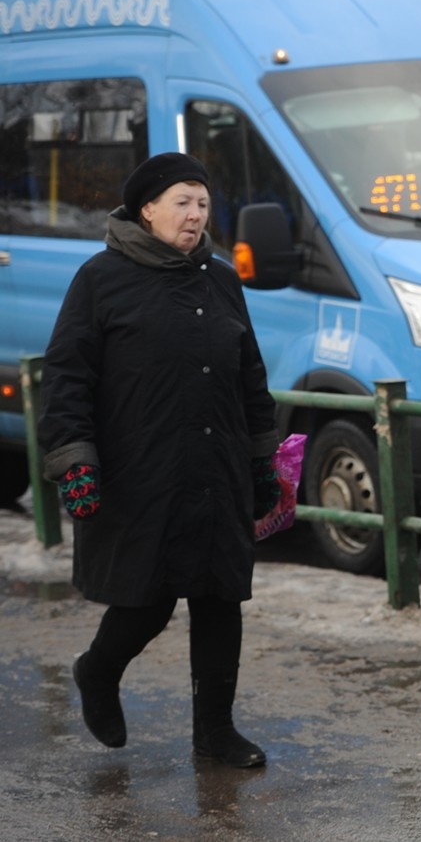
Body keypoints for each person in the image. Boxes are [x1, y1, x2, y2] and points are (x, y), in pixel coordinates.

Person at [38, 152, 281, 768]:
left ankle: (216, 731)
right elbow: (66, 377)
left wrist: (262, 460)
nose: (195, 215)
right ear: (147, 210)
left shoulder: (221, 280)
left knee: (220, 596)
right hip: (140, 469)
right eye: (182, 203)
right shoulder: (100, 279)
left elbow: (250, 376)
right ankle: (97, 671)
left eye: (203, 204)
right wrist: (75, 462)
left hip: (217, 466)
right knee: (146, 599)